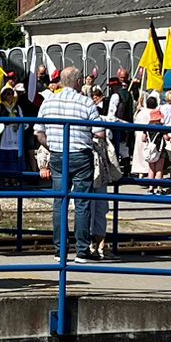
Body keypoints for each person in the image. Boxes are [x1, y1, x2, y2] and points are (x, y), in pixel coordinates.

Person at [36, 62, 105, 263]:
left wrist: (52, 145)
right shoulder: (86, 103)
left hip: (58, 154)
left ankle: (60, 250)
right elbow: (99, 132)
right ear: (78, 82)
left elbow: (38, 132)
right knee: (82, 202)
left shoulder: (48, 102)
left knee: (60, 202)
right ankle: (82, 250)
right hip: (81, 155)